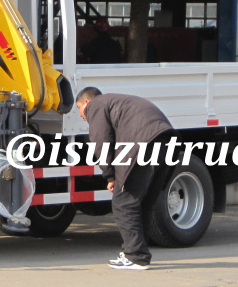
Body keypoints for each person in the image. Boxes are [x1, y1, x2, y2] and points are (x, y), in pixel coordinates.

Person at [75, 87, 176, 270]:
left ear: (87, 103)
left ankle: (135, 256)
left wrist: (110, 176)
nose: (81, 115)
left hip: (144, 143)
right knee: (142, 202)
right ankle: (138, 253)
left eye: (79, 108)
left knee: (123, 202)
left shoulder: (97, 105)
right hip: (167, 140)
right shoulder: (117, 102)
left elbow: (101, 141)